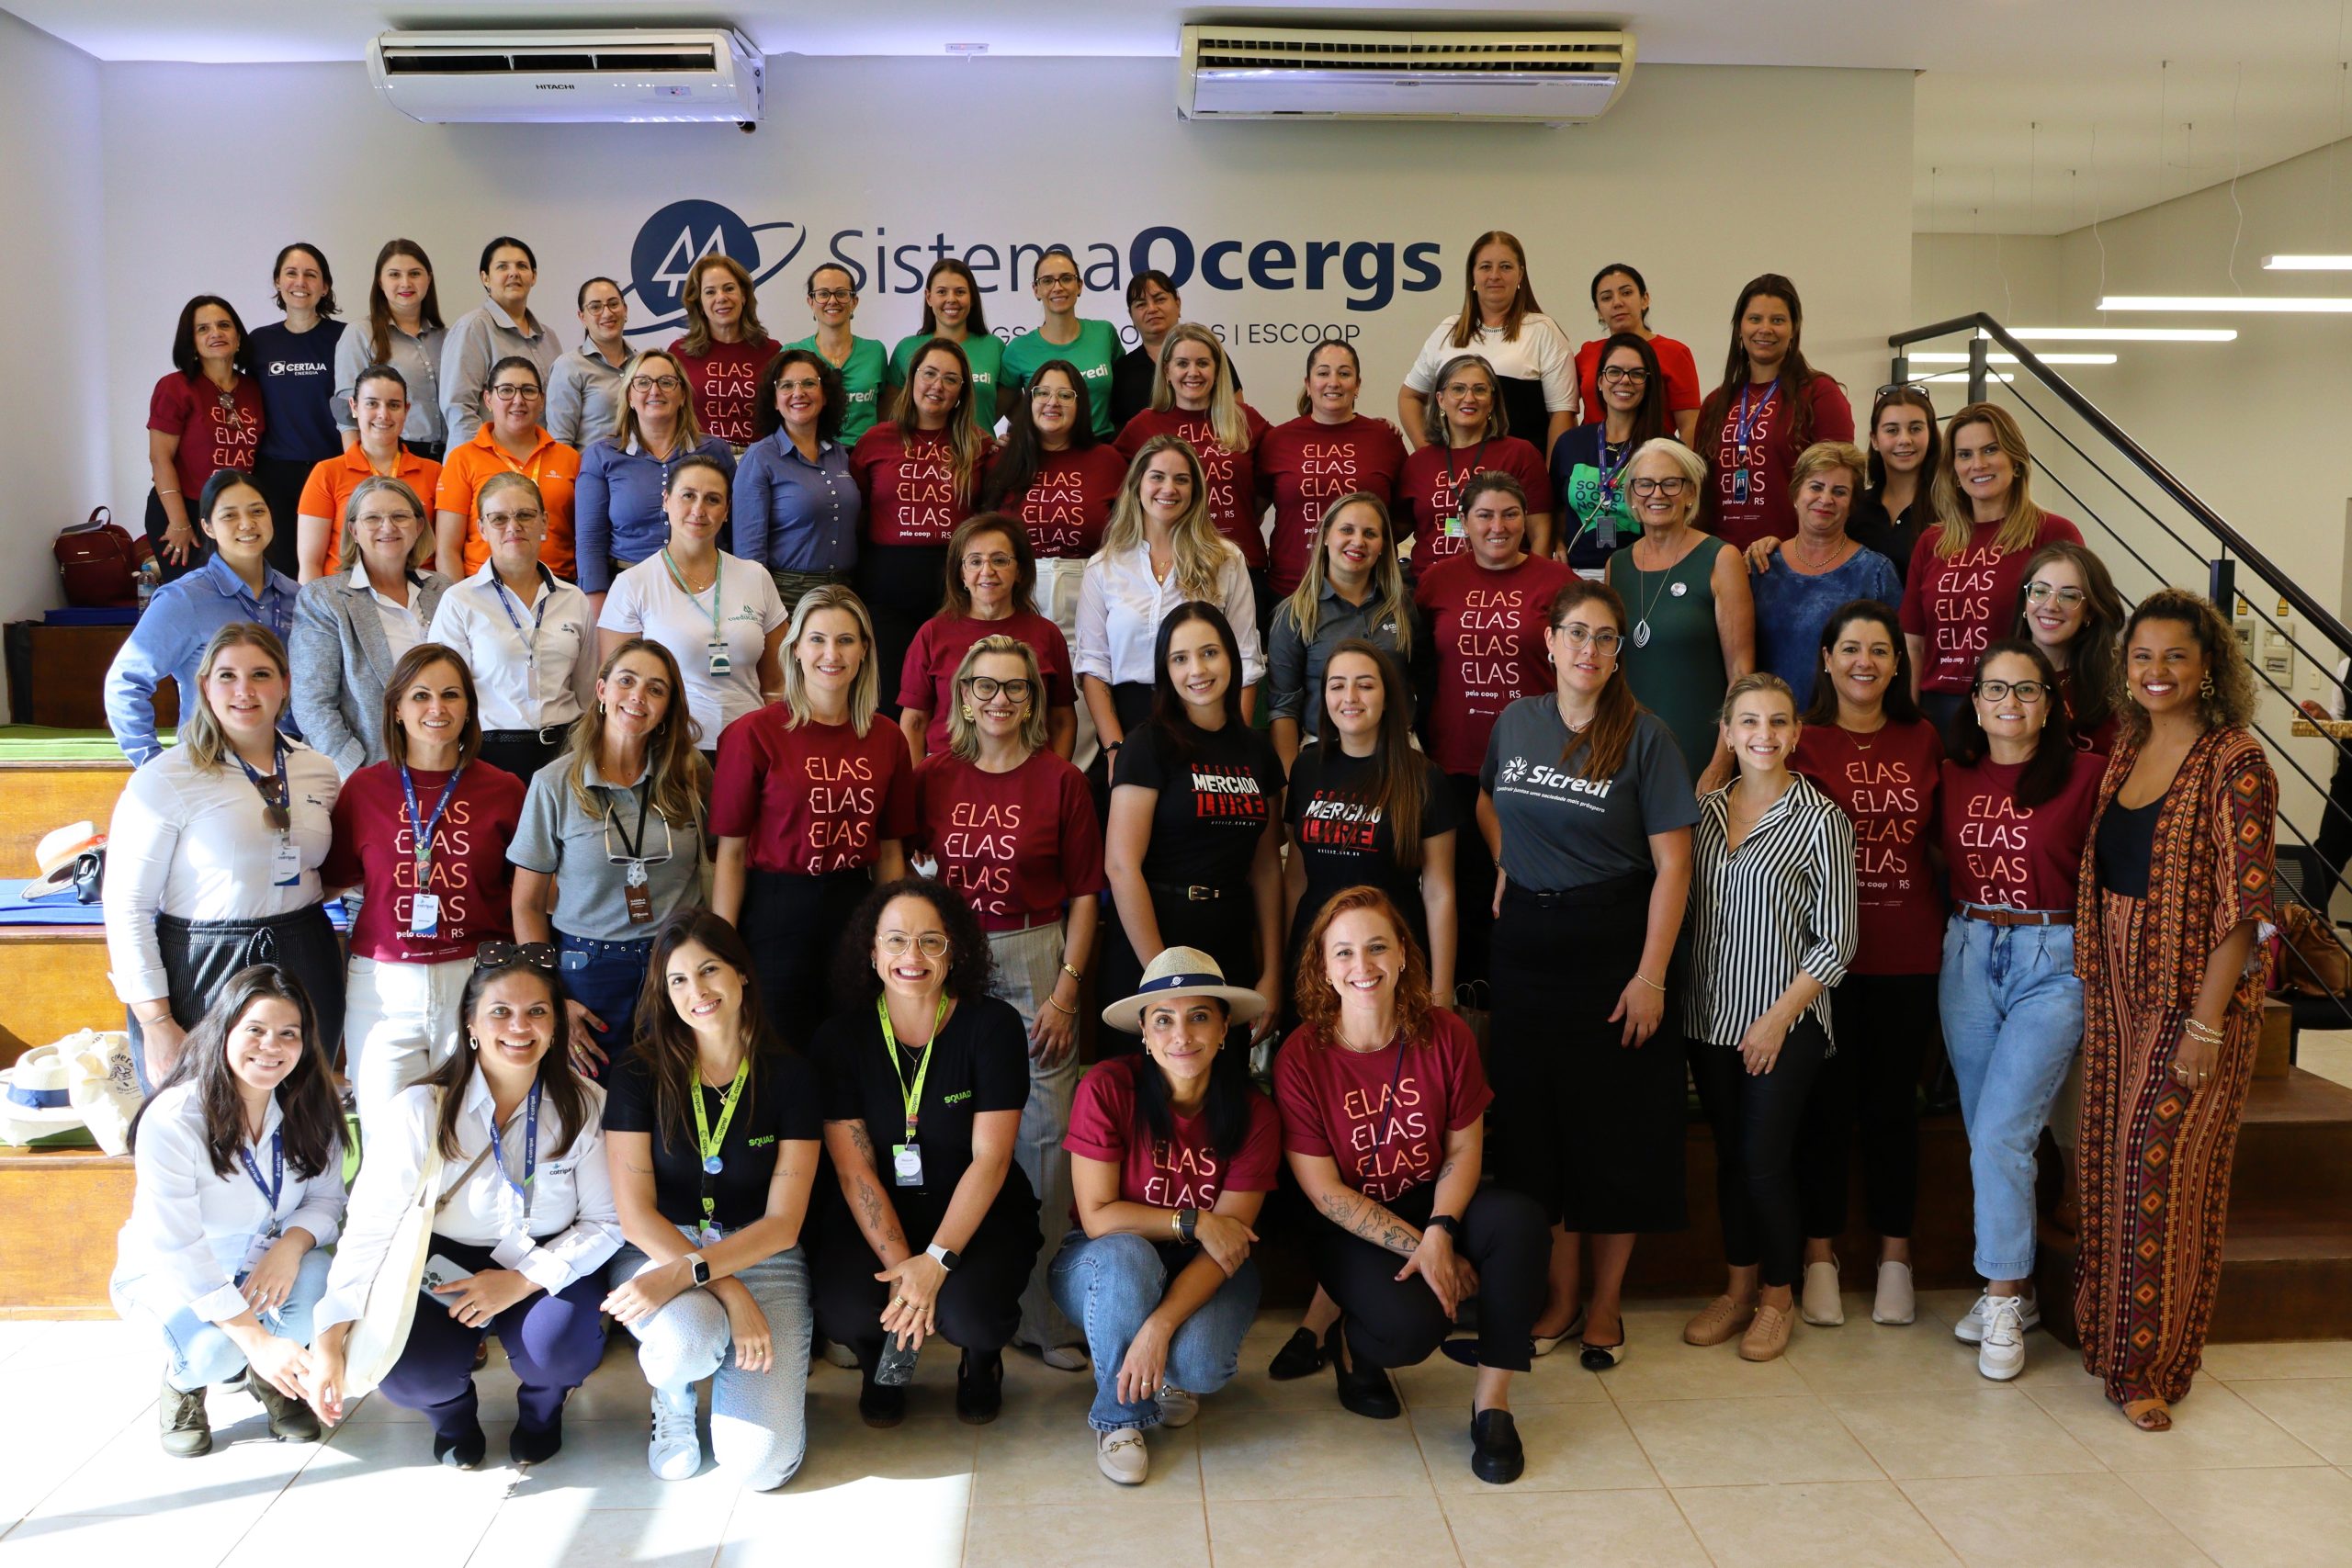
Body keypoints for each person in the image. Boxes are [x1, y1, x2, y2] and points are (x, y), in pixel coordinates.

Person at [1477, 581, 1695, 1371]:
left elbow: (1675, 865)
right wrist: (1508, 860)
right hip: (1525, 951)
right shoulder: (1516, 720)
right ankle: (1561, 1297)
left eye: (1605, 637)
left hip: (1613, 952)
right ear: (1550, 640)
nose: (1589, 649)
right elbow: (1486, 800)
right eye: (1576, 633)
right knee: (1537, 1135)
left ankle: (1604, 1305)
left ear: (1617, 652)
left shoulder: (1647, 736)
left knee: (1613, 1136)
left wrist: (1651, 974)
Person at [2074, 591, 2278, 1431]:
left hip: (2194, 997)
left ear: (2209, 668)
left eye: (2175, 657)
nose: (2156, 671)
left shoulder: (2237, 760)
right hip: (2116, 990)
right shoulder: (2127, 746)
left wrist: (2205, 1023)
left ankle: (2152, 1366)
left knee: (2162, 1174)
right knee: (2107, 1167)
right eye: (2142, 656)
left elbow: (2246, 906)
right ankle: (2106, 1341)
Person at [1275, 888, 1551, 1484]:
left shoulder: (1446, 1033)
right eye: (1344, 952)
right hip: (1347, 1226)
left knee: (1520, 1221)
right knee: (1412, 1327)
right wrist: (1424, 1250)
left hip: (1433, 1201)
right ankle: (1351, 1345)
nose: (1363, 965)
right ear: (1324, 967)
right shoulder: (1301, 1056)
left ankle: (1492, 1404)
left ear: (1403, 953)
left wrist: (1441, 1231)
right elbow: (1324, 1192)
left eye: (1377, 947)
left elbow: (1465, 1148)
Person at [303, 949, 618, 1469]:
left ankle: (542, 1412)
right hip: (444, 1260)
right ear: (470, 1024)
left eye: (537, 1011)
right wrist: (331, 1334)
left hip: (544, 1256)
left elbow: (606, 1222)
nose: (519, 1027)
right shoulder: (422, 1108)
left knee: (559, 1348)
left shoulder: (587, 1104)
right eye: (500, 1012)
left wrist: (522, 1281)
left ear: (556, 1025)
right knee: (408, 1371)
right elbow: (370, 1227)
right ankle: (452, 1419)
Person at [911, 634, 1105, 1372]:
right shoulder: (932, 776)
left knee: (1045, 1138)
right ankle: (951, 1297)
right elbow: (909, 875)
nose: (999, 699)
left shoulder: (1062, 780)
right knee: (951, 1129)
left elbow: (1086, 895)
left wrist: (1067, 991)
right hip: (949, 961)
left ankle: (1042, 1316)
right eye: (984, 686)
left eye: (1015, 687)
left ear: (1033, 700)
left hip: (1035, 951)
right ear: (962, 696)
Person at [603, 911, 823, 1486]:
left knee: (762, 1467)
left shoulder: (792, 1076)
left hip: (763, 1253)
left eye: (709, 971)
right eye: (677, 980)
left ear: (742, 973)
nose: (696, 991)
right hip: (661, 1248)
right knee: (687, 1338)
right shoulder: (636, 1072)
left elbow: (783, 1223)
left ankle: (737, 1388)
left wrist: (721, 1279)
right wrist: (725, 1289)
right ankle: (673, 1392)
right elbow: (635, 1214)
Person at [811, 879, 1044, 1426]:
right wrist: (904, 1272)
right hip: (879, 1210)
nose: (911, 956)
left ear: (954, 950)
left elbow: (991, 1160)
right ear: (872, 952)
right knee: (845, 1305)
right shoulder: (839, 1039)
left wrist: (936, 1261)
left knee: (975, 1314)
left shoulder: (992, 1026)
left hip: (974, 1209)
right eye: (895, 940)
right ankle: (882, 1365)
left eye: (930, 941)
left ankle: (981, 1362)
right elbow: (855, 1170)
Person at [1939, 638, 2105, 1382]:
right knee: (1986, 1132)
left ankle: (2003, 1297)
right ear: (1975, 703)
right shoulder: (1952, 775)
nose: (2011, 702)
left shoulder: (2089, 775)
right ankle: (2023, 1289)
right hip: (1969, 952)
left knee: (2002, 1131)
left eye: (2027, 689)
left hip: (2053, 956)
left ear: (2050, 703)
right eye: (1996, 689)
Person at [1680, 673, 1859, 1363]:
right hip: (1709, 1017)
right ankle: (1737, 1290)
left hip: (1786, 1021)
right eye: (1749, 721)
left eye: (1778, 721)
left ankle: (1778, 1298)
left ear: (1796, 733)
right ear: (1727, 733)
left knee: (1763, 1160)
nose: (1764, 734)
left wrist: (1777, 1017)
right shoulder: (1703, 811)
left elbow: (1837, 939)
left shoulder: (1819, 818)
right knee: (1731, 1158)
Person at [1055, 947, 1281, 1483]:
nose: (1181, 1035)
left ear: (1224, 1028)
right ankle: (1118, 1419)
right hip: (1103, 1260)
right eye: (1163, 1019)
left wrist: (1160, 1326)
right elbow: (1098, 1218)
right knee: (1127, 1255)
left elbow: (1228, 1245)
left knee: (1200, 1365)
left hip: (1205, 1265)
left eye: (1199, 1016)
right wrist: (1194, 1220)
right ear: (1144, 1032)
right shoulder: (1107, 1087)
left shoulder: (1255, 1113)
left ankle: (1164, 1364)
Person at [111, 964, 343, 1456]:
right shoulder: (174, 1118)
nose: (271, 1046)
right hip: (170, 1273)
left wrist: (290, 1245)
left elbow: (327, 1200)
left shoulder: (311, 1106)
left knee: (319, 1278)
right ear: (224, 1032)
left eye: (289, 1033)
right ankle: (184, 1383)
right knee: (217, 1354)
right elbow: (179, 1248)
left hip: (261, 1262)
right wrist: (257, 1341)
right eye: (255, 1030)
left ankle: (273, 1380)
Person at [1789, 603, 1945, 1329]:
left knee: (1891, 1112)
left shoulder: (1924, 738)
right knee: (1822, 1109)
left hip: (1907, 952)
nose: (1865, 661)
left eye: (1880, 650)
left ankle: (1895, 1259)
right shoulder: (1800, 739)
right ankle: (1819, 1254)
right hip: (1820, 960)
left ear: (1896, 664)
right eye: (1850, 648)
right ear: (1826, 658)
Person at [106, 624, 343, 1091]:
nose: (244, 691)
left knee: (301, 1115)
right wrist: (156, 1022)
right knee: (199, 1119)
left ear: (285, 684)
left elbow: (324, 868)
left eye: (260, 675)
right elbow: (126, 906)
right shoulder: (164, 779)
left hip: (304, 953)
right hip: (202, 962)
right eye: (228, 676)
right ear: (204, 687)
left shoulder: (318, 770)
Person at [322, 644, 526, 1123]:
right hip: (384, 987)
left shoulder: (506, 790)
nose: (437, 708)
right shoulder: (363, 789)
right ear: (396, 708)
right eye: (421, 696)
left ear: (470, 708)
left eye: (451, 695)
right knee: (388, 1135)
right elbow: (329, 883)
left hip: (478, 980)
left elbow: (531, 896)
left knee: (473, 1132)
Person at [711, 586, 914, 1051]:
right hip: (775, 913)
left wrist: (894, 937)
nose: (831, 654)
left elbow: (889, 853)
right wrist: (723, 949)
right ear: (796, 649)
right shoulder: (752, 734)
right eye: (817, 639)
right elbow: (731, 853)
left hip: (855, 909)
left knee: (853, 1051)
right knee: (780, 1053)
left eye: (846, 640)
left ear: (864, 651)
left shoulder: (887, 738)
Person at [510, 637, 709, 1078]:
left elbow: (720, 862)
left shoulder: (691, 773)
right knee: (595, 1106)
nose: (638, 696)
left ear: (667, 708)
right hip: (587, 972)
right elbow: (526, 903)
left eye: (656, 689)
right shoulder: (553, 784)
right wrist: (551, 996)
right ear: (601, 691)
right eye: (627, 681)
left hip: (676, 963)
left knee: (676, 1101)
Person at [1100, 602, 1285, 1058]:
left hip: (1229, 939)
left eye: (1209, 653)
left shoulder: (1257, 751)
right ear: (1165, 671)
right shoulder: (1147, 744)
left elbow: (1266, 867)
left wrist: (1272, 970)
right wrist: (1163, 977)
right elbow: (1121, 867)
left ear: (1231, 658)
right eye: (1180, 658)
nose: (1197, 670)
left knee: (1223, 1084)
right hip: (1154, 937)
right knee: (1149, 1090)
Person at [1411, 471, 1572, 991]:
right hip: (1454, 763)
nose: (1498, 526)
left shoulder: (1558, 582)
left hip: (1534, 766)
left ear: (1526, 520)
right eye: (1484, 515)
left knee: (1525, 893)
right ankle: (1464, 1011)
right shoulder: (1436, 580)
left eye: (1510, 514)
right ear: (1463, 522)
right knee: (1464, 892)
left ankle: (1522, 1005)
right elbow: (1418, 666)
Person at [1076, 437, 1265, 778]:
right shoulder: (1103, 566)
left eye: (1181, 479)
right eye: (1157, 477)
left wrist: (1235, 744)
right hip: (1129, 723)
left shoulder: (1226, 560)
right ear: (1137, 485)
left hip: (1207, 719)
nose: (1169, 489)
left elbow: (1246, 660)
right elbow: (1094, 666)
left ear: (1195, 491)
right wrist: (1115, 749)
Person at [1285, 642, 1455, 1015]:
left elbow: (1439, 891)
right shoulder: (1306, 768)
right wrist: (1284, 964)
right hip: (1315, 960)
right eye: (1337, 685)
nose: (1350, 697)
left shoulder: (1425, 778)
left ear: (1388, 697)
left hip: (1389, 963)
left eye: (1364, 685)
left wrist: (1441, 991)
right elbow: (1295, 878)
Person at [1903, 402, 2085, 748]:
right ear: (1954, 469)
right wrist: (1908, 722)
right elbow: (1914, 643)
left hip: (2017, 708)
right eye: (1965, 454)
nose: (1978, 464)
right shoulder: (1932, 542)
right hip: (1938, 711)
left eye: (1990, 450)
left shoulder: (2053, 533)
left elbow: (2075, 631)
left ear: (2015, 460)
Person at [982, 362, 1128, 762]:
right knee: (1014, 689)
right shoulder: (1001, 461)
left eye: (1066, 394)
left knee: (1082, 697)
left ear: (1081, 405)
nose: (1053, 402)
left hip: (1088, 596)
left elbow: (1127, 536)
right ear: (1027, 401)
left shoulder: (1108, 461)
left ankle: (1071, 784)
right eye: (1043, 393)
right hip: (1018, 594)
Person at [598, 455, 787, 759]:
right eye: (688, 495)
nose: (699, 510)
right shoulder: (633, 584)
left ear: (726, 511)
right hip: (671, 750)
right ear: (666, 501)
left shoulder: (756, 577)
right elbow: (617, 691)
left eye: (712, 499)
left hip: (750, 747)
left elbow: (777, 682)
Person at [106, 471, 301, 767]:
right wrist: (152, 765)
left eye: (257, 511)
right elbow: (125, 682)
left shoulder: (297, 597)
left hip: (293, 763)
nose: (247, 524)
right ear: (208, 527)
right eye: (229, 515)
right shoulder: (184, 599)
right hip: (214, 766)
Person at [852, 336, 993, 717]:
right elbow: (857, 515)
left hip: (954, 592)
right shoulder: (874, 441)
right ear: (912, 378)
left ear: (962, 391)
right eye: (929, 374)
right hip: (886, 592)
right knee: (890, 704)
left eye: (951, 379)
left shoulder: (978, 445)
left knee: (954, 704)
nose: (938, 386)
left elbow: (989, 518)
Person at [426, 473, 598, 782]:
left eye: (525, 515)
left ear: (544, 522)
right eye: (499, 518)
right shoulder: (459, 601)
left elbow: (586, 693)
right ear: (482, 528)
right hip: (490, 757)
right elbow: (444, 692)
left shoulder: (574, 599)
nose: (513, 526)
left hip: (565, 754)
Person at [1607, 439, 1754, 790]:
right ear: (1631, 495)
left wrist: (1722, 761)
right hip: (1629, 748)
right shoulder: (1616, 566)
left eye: (1670, 483)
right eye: (1645, 484)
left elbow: (1741, 674)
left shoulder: (1721, 558)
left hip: (1698, 750)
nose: (1657, 494)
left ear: (1690, 492)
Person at [289, 475, 451, 777]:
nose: (387, 527)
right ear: (353, 530)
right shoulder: (323, 599)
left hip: (444, 764)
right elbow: (313, 704)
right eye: (373, 518)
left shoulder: (444, 591)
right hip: (365, 771)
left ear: (419, 526)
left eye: (400, 516)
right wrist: (357, 771)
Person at [1693, 274, 1855, 552]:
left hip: (1792, 557)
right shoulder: (1715, 403)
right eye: (1755, 319)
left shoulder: (1819, 394)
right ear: (1739, 328)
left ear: (1794, 329)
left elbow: (1839, 484)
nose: (1765, 329)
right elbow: (1701, 491)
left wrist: (1793, 550)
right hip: (1722, 558)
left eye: (1777, 320)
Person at [899, 514, 1075, 763]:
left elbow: (1062, 721)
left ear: (1020, 571)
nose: (987, 571)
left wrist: (1054, 777)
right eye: (975, 561)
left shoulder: (1047, 634)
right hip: (946, 773)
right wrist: (918, 781)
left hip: (1029, 773)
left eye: (999, 560)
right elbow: (914, 722)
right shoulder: (931, 634)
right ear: (961, 573)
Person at [575, 348, 739, 603]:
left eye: (666, 382)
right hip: (629, 590)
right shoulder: (601, 456)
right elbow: (590, 541)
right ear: (629, 396)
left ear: (682, 395)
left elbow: (735, 528)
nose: (655, 390)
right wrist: (597, 605)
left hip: (706, 587)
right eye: (643, 382)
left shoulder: (715, 451)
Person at [1114, 324, 1272, 582]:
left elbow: (1276, 478)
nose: (1193, 372)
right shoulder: (1143, 426)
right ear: (1167, 371)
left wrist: (1247, 511)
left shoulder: (1245, 420)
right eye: (1182, 363)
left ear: (1217, 370)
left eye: (1202, 363)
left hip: (1243, 563)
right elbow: (1118, 492)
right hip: (1171, 565)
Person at [1397, 231, 1577, 457]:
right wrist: (1428, 457)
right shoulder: (1448, 330)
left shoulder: (1543, 330)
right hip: (1454, 476)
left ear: (1520, 274)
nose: (1495, 275)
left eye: (1505, 267)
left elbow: (1562, 414)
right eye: (1485, 267)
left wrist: (1549, 474)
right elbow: (1409, 397)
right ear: (1472, 275)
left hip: (1518, 474)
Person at [1269, 494, 1414, 766]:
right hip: (1324, 753)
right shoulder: (1295, 613)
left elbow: (1423, 684)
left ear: (1383, 546)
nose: (1358, 541)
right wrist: (1289, 779)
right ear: (1325, 536)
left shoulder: (1403, 607)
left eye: (1370, 533)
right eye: (1347, 530)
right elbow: (1283, 706)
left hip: (1399, 752)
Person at [1260, 339, 1408, 604]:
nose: (1334, 382)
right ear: (1308, 384)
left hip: (1368, 591)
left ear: (1357, 385)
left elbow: (1405, 516)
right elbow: (1253, 508)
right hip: (1291, 589)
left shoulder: (1384, 439)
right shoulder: (1278, 440)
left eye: (1344, 373)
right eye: (1323, 373)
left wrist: (1364, 546)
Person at [1744, 442, 1902, 691]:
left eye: (1840, 492)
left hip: (1845, 713)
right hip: (1768, 712)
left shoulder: (1876, 573)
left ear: (1852, 504)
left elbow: (1896, 658)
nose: (1826, 499)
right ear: (1796, 494)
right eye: (1816, 487)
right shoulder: (1762, 565)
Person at [245, 244, 348, 581]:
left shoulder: (345, 337)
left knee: (333, 569)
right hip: (275, 475)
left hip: (331, 468)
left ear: (325, 286)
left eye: (310, 274)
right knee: (283, 570)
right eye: (291, 273)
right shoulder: (259, 342)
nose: (300, 282)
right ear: (278, 281)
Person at [735, 348, 861, 615]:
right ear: (774, 400)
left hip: (845, 592)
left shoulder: (840, 454)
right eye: (786, 385)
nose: (798, 392)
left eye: (809, 383)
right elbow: (749, 552)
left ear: (825, 395)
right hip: (786, 596)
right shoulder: (760, 457)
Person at [1398, 352, 1555, 568]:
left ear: (1492, 402)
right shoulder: (1418, 463)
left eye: (1480, 390)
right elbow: (1393, 529)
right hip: (1427, 582)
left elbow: (1541, 534)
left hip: (1502, 582)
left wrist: (1535, 582)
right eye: (1458, 389)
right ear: (1440, 400)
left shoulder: (1520, 454)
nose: (1469, 398)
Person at [146, 295, 264, 582]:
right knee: (194, 598)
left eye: (224, 325)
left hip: (234, 512)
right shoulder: (175, 387)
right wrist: (179, 522)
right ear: (192, 342)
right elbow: (160, 458)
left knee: (237, 596)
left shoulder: (253, 388)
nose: (215, 333)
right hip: (185, 510)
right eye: (203, 328)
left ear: (238, 336)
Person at [434, 355, 581, 582]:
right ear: (488, 399)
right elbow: (447, 549)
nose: (518, 400)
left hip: (557, 586)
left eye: (528, 391)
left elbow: (584, 539)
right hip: (484, 587)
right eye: (506, 391)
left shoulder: (569, 459)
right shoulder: (462, 459)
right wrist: (460, 599)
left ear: (541, 400)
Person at [296, 365, 443, 582]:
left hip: (417, 592)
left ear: (406, 410)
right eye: (372, 403)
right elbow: (310, 563)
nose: (383, 414)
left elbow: (444, 551)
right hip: (344, 595)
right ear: (354, 407)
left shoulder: (434, 472)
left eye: (394, 405)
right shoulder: (327, 473)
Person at [1551, 333, 1675, 577]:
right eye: (1614, 372)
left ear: (1648, 383)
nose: (1624, 380)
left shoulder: (1666, 450)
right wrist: (1557, 544)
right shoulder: (1570, 443)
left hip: (1644, 575)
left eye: (1636, 374)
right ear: (1600, 381)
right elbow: (1554, 507)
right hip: (1577, 574)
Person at [333, 239, 448, 461]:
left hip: (449, 455)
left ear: (428, 278)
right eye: (394, 275)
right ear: (380, 281)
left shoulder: (447, 338)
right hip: (389, 455)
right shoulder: (360, 333)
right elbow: (346, 414)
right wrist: (359, 467)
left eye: (415, 274)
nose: (405, 283)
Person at [443, 236, 560, 449]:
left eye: (522, 266)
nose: (514, 273)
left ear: (533, 276)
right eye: (502, 267)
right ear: (485, 278)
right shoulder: (473, 328)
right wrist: (483, 458)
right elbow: (459, 408)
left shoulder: (548, 337)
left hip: (536, 457)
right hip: (487, 460)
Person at [2015, 541, 2125, 756]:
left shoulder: (2117, 687)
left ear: (2089, 612)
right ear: (2025, 601)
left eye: (2068, 595)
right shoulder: (1994, 677)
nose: (2051, 606)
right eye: (2040, 591)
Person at [1001, 246, 1123, 439]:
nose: (1057, 287)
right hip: (1046, 451)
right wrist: (1030, 431)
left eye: (1066, 278)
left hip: (1101, 447)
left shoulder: (1103, 333)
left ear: (1079, 285)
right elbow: (1002, 406)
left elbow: (1125, 392)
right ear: (1036, 290)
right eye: (1047, 281)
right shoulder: (1018, 349)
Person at [1575, 263, 1702, 445]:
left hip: (1652, 456)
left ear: (1645, 299)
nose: (1617, 303)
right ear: (1598, 311)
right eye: (1606, 298)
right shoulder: (1587, 354)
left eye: (1626, 293)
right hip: (1593, 458)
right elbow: (1565, 410)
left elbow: (1690, 425)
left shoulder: (1674, 352)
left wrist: (1680, 462)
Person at [667, 254, 780, 450]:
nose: (721, 298)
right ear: (699, 304)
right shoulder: (679, 353)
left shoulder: (773, 352)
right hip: (699, 458)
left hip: (759, 459)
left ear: (744, 295)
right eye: (710, 292)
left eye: (729, 288)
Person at [886, 258, 1004, 433]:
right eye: (942, 292)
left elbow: (1011, 407)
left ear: (972, 298)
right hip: (920, 449)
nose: (951, 299)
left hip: (980, 448)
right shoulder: (906, 348)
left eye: (960, 292)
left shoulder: (994, 347)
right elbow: (889, 415)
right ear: (929, 297)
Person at [785, 262, 888, 444]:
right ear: (811, 302)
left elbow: (885, 410)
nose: (832, 301)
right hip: (812, 453)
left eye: (841, 293)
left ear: (854, 302)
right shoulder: (792, 353)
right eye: (823, 294)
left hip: (866, 453)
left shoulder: (875, 351)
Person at [1852, 383, 1939, 587]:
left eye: (1915, 429)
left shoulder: (1952, 507)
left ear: (1930, 435)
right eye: (1892, 430)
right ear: (1875, 440)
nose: (1905, 439)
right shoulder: (1855, 507)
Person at [547, 276, 631, 449]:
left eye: (613, 304)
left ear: (625, 309)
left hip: (642, 464)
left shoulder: (642, 364)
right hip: (592, 466)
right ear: (582, 317)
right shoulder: (569, 367)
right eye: (595, 307)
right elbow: (560, 444)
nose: (607, 313)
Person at [1109, 269, 1184, 430]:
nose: (1152, 309)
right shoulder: (1122, 371)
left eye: (1160, 299)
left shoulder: (1205, 357)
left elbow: (1234, 414)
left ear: (1178, 304)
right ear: (1131, 316)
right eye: (1141, 304)